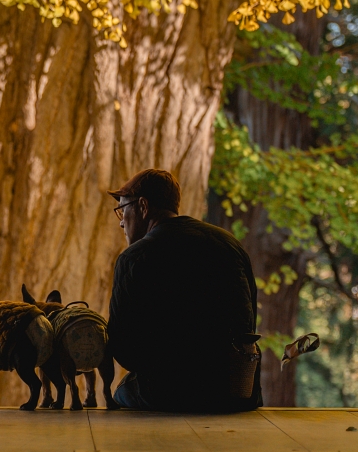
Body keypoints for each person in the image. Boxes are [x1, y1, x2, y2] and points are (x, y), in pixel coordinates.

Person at [107, 168, 262, 413]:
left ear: (143, 206)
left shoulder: (135, 257)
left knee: (123, 391)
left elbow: (124, 349)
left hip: (170, 393)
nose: (121, 221)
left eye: (123, 209)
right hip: (236, 393)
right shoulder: (229, 244)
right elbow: (248, 324)